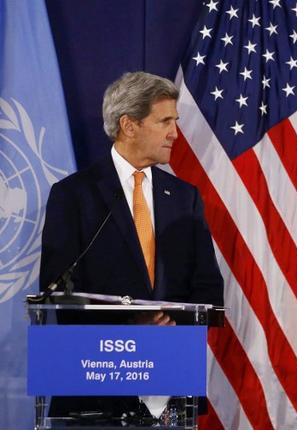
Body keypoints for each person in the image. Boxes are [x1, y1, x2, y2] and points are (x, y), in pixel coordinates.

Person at [39, 71, 223, 421]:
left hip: (170, 380)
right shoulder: (74, 196)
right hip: (97, 382)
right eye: (165, 121)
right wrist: (129, 327)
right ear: (129, 125)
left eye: (175, 120)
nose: (175, 132)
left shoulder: (185, 198)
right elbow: (55, 289)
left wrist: (167, 325)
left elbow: (209, 288)